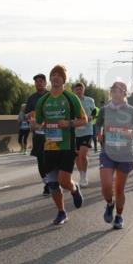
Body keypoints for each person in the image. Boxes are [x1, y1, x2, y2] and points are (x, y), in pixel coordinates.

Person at [33, 65, 88, 226]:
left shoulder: (71, 98)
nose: (56, 77)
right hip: (49, 146)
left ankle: (74, 188)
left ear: (64, 79)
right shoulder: (43, 100)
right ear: (50, 79)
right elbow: (38, 123)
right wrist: (37, 125)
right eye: (53, 75)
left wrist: (69, 123)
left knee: (64, 181)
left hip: (66, 145)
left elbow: (84, 119)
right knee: (52, 183)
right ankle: (62, 212)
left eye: (59, 75)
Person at [95, 80, 133, 230]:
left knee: (119, 189)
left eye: (120, 90)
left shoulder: (132, 111)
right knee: (106, 187)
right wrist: (98, 132)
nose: (117, 92)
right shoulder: (104, 110)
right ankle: (109, 204)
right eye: (114, 89)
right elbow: (97, 123)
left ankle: (119, 215)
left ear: (125, 93)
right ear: (110, 92)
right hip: (108, 152)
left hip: (125, 154)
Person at [25, 73, 49, 195]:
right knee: (41, 160)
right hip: (38, 133)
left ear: (45, 83)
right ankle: (46, 183)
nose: (38, 83)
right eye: (36, 81)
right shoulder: (32, 98)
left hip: (52, 133)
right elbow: (25, 115)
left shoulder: (51, 96)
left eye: (41, 81)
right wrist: (29, 115)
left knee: (51, 159)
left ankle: (53, 181)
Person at [71, 80, 96, 186]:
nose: (79, 90)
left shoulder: (90, 100)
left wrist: (91, 116)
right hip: (76, 132)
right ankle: (81, 175)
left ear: (83, 90)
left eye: (81, 89)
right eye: (77, 89)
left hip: (87, 130)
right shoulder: (71, 101)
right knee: (77, 157)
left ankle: (84, 177)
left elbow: (94, 111)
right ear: (74, 91)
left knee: (83, 154)